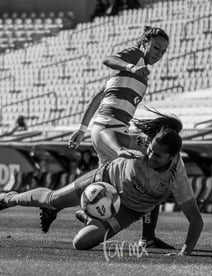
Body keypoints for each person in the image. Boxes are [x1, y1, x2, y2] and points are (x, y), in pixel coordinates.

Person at [0, 113, 204, 255]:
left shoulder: (177, 176)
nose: (149, 156)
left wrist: (185, 252)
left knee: (81, 243)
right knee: (51, 200)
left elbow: (196, 220)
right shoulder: (142, 142)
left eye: (157, 156)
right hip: (103, 180)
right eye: (150, 151)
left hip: (127, 211)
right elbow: (106, 132)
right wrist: (118, 150)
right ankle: (7, 198)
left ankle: (88, 216)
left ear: (171, 157)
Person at [68, 26, 171, 248]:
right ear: (144, 44)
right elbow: (108, 59)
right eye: (156, 47)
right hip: (112, 131)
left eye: (163, 51)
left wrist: (82, 128)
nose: (158, 54)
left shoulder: (139, 76)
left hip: (104, 131)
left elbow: (98, 96)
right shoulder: (136, 57)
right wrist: (131, 67)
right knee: (154, 161)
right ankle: (147, 238)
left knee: (105, 183)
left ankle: (87, 214)